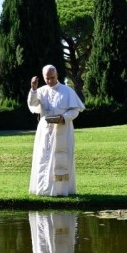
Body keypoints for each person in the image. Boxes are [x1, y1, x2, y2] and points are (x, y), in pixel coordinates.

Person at [27, 65, 85, 196]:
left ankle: (60, 190)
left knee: (59, 160)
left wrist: (63, 118)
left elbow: (75, 110)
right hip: (45, 131)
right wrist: (33, 88)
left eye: (52, 78)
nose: (50, 81)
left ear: (57, 75)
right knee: (43, 158)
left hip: (62, 130)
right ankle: (43, 189)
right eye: (47, 78)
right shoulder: (40, 91)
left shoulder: (67, 91)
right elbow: (33, 104)